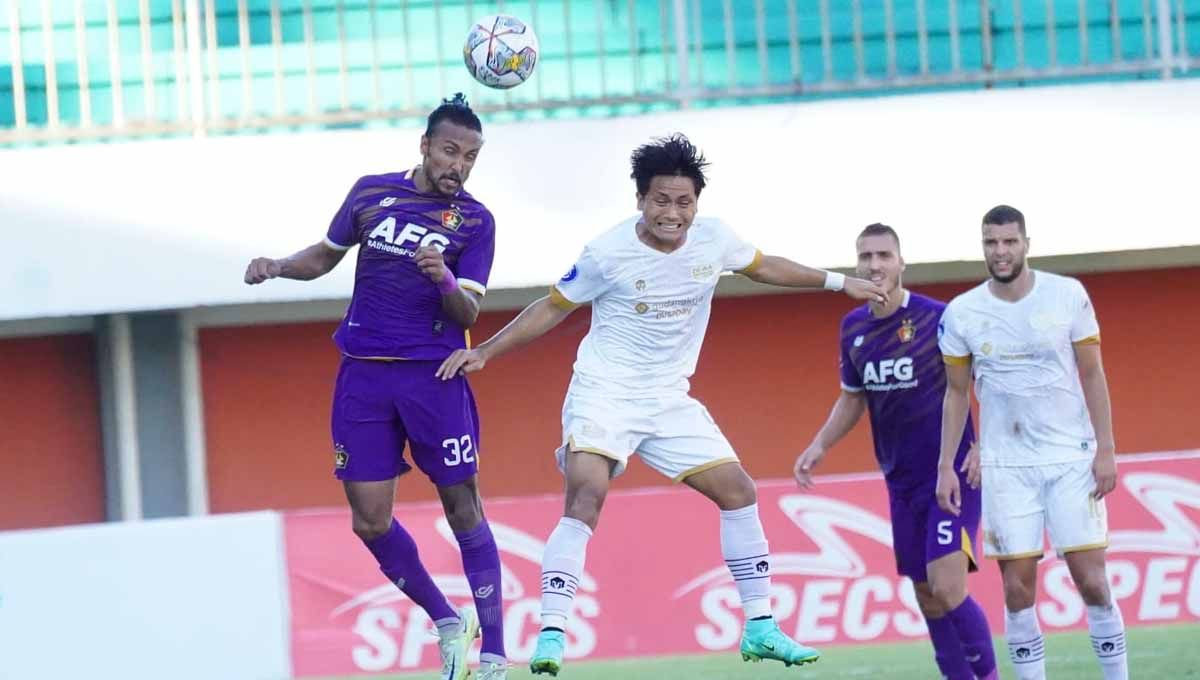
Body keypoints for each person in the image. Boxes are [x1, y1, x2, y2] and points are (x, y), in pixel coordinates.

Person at [437, 133, 887, 676]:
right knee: (586, 495)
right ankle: (552, 633)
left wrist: (841, 283)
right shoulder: (608, 252)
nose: (672, 213)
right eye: (660, 201)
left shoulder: (715, 240)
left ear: (696, 204)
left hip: (669, 399)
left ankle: (761, 626)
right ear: (640, 202)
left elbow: (765, 266)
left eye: (683, 202)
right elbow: (551, 307)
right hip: (603, 391)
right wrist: (484, 350)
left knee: (739, 491)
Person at [243, 94, 508, 680]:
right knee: (368, 519)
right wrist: (277, 265)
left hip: (431, 377)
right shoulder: (371, 193)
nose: (457, 166)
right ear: (424, 145)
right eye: (449, 151)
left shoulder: (475, 221)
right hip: (362, 374)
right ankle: (444, 620)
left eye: (469, 156)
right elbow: (324, 256)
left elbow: (467, 314)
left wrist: (442, 278)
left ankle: (493, 653)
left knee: (462, 506)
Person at [794, 223, 997, 680]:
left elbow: (990, 381)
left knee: (948, 588)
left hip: (951, 476)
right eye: (866, 256)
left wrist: (986, 445)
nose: (875, 264)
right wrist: (820, 444)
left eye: (884, 255)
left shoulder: (938, 319)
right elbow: (853, 396)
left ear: (901, 262)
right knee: (927, 594)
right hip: (900, 482)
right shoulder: (854, 329)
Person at [936, 205, 1127, 680]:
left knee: (1092, 581)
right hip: (1006, 466)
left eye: (1008, 241)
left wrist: (1106, 448)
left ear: (1026, 243)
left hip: (1069, 459)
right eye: (991, 243)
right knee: (1018, 590)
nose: (1000, 252)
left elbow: (1092, 373)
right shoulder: (963, 312)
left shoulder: (1068, 296)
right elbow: (957, 394)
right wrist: (946, 465)